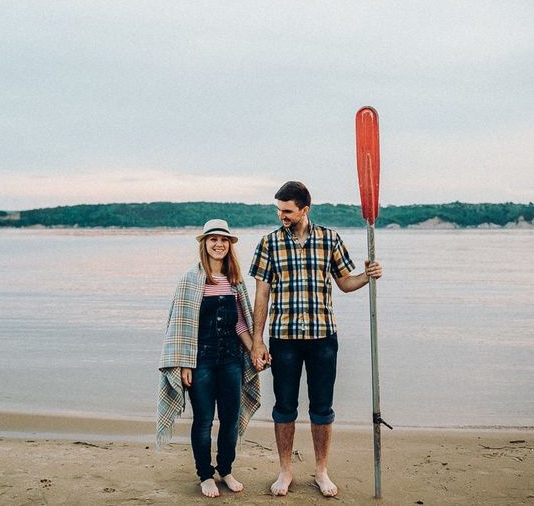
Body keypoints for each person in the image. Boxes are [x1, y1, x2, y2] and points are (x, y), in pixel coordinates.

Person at [249, 181, 382, 497]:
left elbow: (345, 283)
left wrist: (368, 275)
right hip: (283, 338)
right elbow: (262, 295)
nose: (282, 215)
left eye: (288, 211)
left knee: (322, 408)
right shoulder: (269, 243)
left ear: (304, 209)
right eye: (279, 210)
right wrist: (257, 341)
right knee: (284, 408)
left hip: (323, 338)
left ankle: (321, 471)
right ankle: (285, 472)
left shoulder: (329, 239)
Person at [157, 219, 262, 498]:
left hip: (230, 361)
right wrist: (183, 363)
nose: (219, 244)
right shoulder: (191, 279)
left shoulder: (234, 281)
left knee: (229, 419)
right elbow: (180, 326)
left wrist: (254, 350)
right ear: (204, 244)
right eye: (213, 239)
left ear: (229, 245)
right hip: (200, 361)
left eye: (224, 240)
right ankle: (205, 474)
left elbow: (241, 323)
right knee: (203, 420)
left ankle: (225, 470)